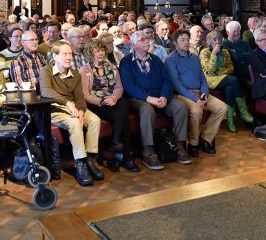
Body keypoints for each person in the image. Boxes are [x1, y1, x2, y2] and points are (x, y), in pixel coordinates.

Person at [120, 30, 192, 170]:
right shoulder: (127, 61)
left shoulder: (156, 60)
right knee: (147, 109)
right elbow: (129, 86)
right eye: (142, 39)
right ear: (133, 45)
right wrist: (148, 98)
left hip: (160, 96)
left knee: (180, 107)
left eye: (147, 39)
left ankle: (179, 146)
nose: (147, 41)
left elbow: (167, 80)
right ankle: (148, 151)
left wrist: (164, 96)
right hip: (138, 98)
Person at [39, 40, 103, 186]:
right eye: (64, 54)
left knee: (94, 120)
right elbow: (46, 91)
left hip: (74, 107)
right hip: (55, 108)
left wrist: (80, 110)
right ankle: (80, 164)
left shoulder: (75, 74)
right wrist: (67, 103)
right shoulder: (46, 71)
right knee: (74, 123)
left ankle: (90, 159)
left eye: (70, 54)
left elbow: (80, 96)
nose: (69, 57)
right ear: (55, 56)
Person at [79, 39, 140, 172]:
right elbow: (85, 94)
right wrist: (101, 101)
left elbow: (119, 87)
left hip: (112, 102)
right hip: (96, 104)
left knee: (123, 101)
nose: (101, 53)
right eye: (97, 51)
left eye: (102, 50)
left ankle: (116, 140)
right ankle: (126, 158)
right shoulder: (85, 69)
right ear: (90, 53)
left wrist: (114, 97)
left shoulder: (112, 67)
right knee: (123, 120)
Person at [166, 29, 226, 157]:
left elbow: (202, 78)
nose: (186, 42)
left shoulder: (194, 57)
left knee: (221, 107)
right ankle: (193, 143)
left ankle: (205, 139)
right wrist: (195, 99)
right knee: (197, 110)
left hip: (200, 92)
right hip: (182, 94)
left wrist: (204, 93)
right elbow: (176, 84)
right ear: (175, 43)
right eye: (182, 40)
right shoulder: (171, 59)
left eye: (188, 39)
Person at [200, 30, 253, 133]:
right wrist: (214, 54)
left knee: (230, 88)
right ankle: (243, 112)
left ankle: (230, 120)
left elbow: (231, 68)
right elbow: (210, 71)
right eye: (214, 39)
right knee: (233, 80)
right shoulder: (204, 52)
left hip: (225, 80)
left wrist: (218, 72)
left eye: (219, 39)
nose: (217, 41)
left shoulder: (225, 51)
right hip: (211, 81)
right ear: (210, 41)